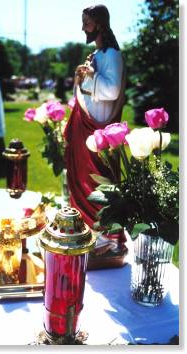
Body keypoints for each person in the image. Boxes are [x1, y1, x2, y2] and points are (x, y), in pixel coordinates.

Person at [64, 4, 126, 227]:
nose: (83, 28)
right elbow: (86, 90)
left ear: (100, 24)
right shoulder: (97, 54)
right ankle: (84, 224)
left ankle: (104, 232)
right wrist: (81, 78)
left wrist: (92, 75)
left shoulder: (112, 55)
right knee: (81, 175)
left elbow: (112, 91)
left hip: (98, 125)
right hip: (87, 123)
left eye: (87, 23)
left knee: (97, 178)